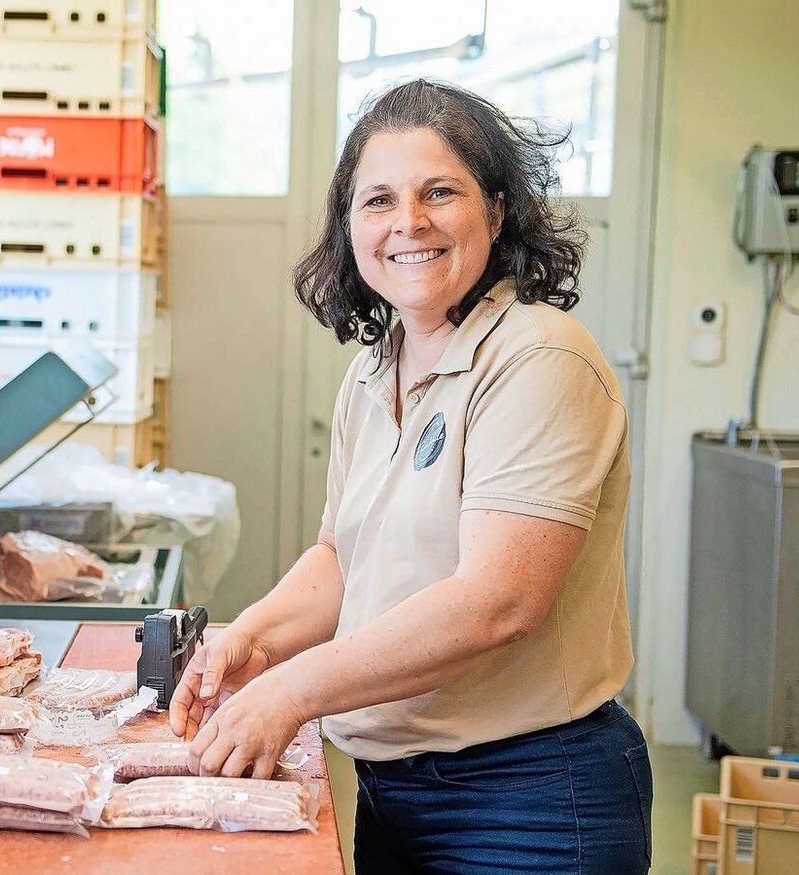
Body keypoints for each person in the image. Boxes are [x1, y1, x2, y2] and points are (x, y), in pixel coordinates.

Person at [168, 79, 651, 874]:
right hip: (394, 790)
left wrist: (292, 690)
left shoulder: (539, 356)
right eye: (379, 200)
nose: (409, 222)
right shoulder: (374, 370)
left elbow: (498, 600)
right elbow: (340, 557)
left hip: (528, 801)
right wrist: (250, 638)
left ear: (497, 210)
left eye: (440, 193)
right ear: (350, 226)